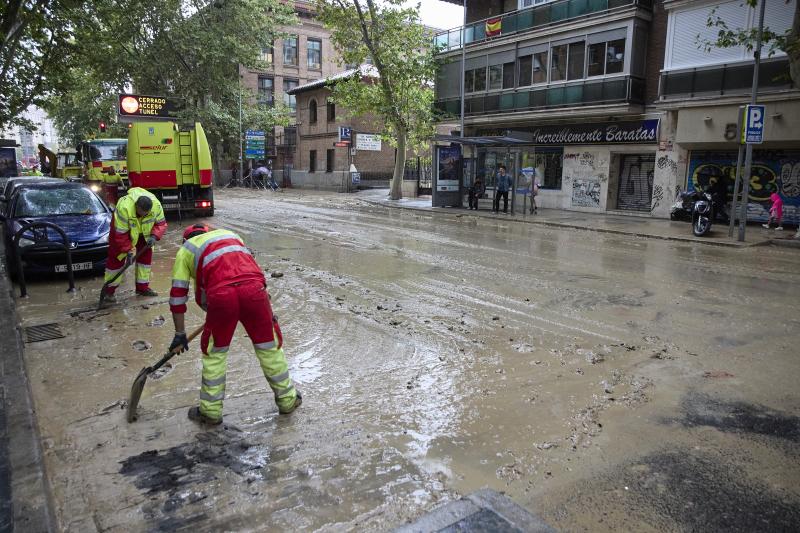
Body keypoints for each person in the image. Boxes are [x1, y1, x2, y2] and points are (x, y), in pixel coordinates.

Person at [169, 224, 302, 425]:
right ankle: (287, 400)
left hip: (222, 297)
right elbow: (251, 268)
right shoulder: (231, 235)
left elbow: (178, 296)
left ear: (186, 239)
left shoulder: (186, 250)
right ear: (208, 232)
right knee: (269, 347)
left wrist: (180, 332)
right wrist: (264, 300)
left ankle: (211, 412)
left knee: (215, 353)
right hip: (255, 291)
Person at [101, 188, 167, 303]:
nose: (143, 216)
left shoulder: (156, 206)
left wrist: (154, 236)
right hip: (122, 233)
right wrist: (128, 251)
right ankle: (108, 292)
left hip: (144, 234)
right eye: (141, 213)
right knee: (116, 261)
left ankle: (142, 288)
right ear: (136, 206)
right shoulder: (124, 208)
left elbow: (161, 224)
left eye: (146, 214)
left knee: (145, 261)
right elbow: (120, 235)